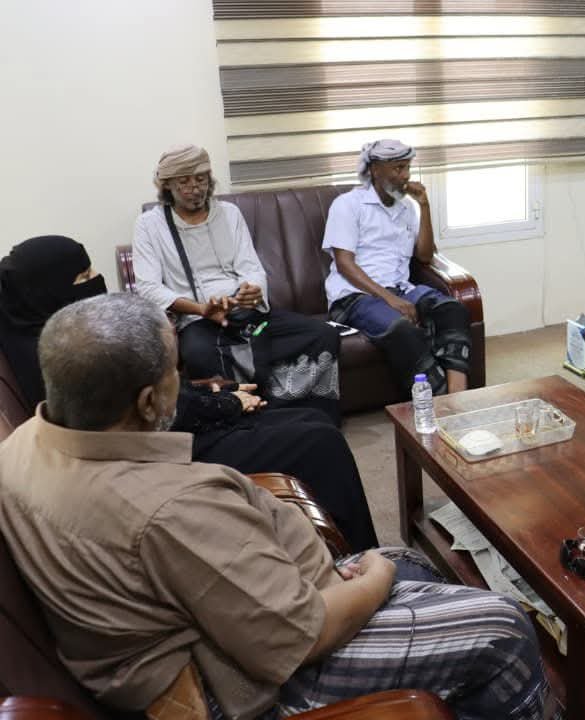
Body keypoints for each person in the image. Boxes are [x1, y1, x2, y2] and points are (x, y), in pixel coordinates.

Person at [0, 293, 547, 720]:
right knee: (504, 626)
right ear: (147, 402)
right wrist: (373, 579)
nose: (182, 383)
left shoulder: (22, 444)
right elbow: (302, 637)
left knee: (413, 564)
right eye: (175, 372)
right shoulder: (169, 510)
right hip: (239, 681)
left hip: (239, 611)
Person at [0, 235, 377, 551]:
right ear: (47, 290)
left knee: (311, 417)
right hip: (161, 454)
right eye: (84, 276)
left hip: (166, 429)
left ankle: (335, 546)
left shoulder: (44, 334)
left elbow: (139, 397)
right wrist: (225, 403)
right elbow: (138, 411)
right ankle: (361, 556)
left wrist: (211, 394)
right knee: (320, 442)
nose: (96, 280)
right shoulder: (60, 354)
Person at [133, 144, 342, 422]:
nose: (195, 188)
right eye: (184, 181)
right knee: (199, 354)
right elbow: (148, 288)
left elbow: (251, 268)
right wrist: (200, 309)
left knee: (322, 334)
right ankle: (245, 421)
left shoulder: (229, 213)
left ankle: (302, 416)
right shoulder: (149, 225)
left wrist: (251, 291)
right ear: (167, 185)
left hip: (248, 316)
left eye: (201, 179)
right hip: (198, 321)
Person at [322, 139, 472, 397]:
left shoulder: (407, 208)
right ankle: (439, 404)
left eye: (407, 168)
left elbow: (425, 255)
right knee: (402, 329)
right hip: (355, 296)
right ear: (374, 170)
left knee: (452, 309)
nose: (405, 176)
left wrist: (424, 205)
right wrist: (389, 299)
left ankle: (460, 396)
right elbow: (345, 264)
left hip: (401, 289)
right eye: (398, 168)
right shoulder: (347, 205)